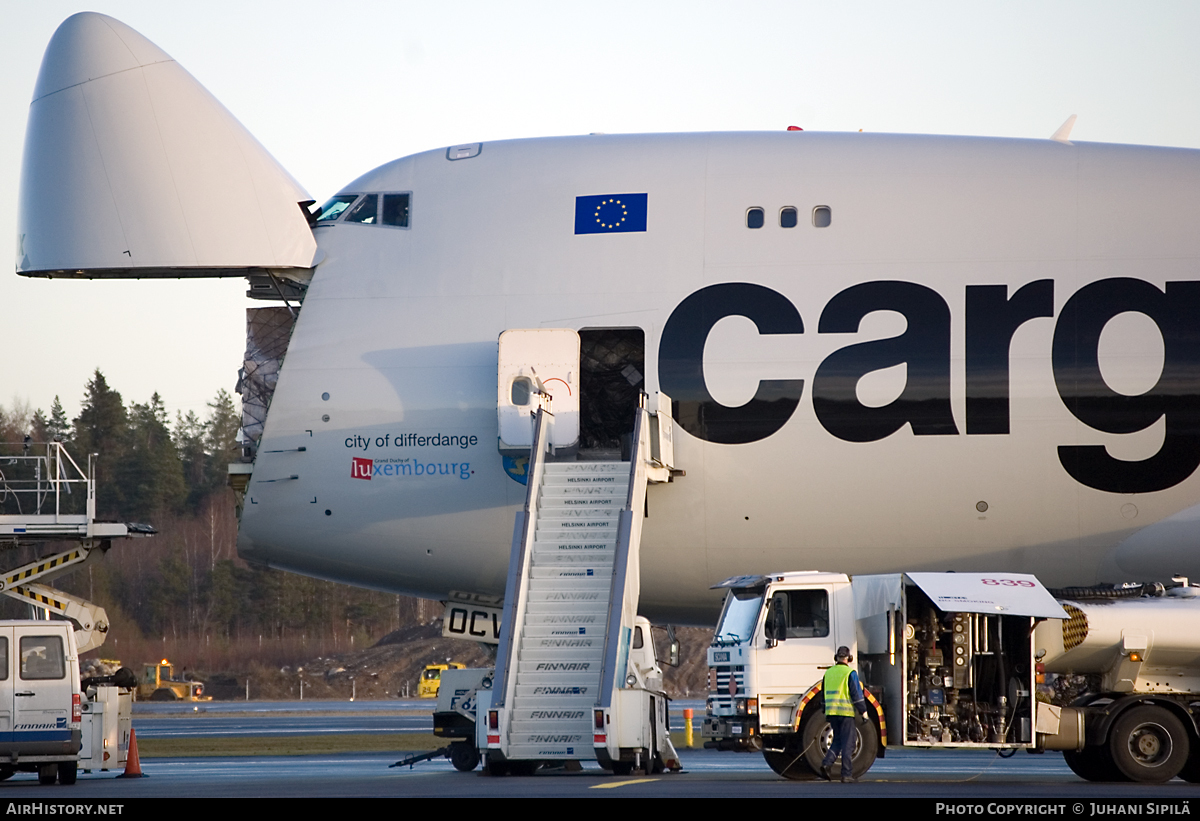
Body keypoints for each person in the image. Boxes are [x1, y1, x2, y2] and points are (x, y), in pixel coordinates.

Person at [821, 645, 867, 783]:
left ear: (836, 658)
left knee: (838, 741)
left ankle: (827, 763)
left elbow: (822, 695)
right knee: (849, 743)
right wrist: (863, 712)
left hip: (832, 712)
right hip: (846, 713)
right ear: (849, 658)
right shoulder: (850, 673)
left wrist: (824, 709)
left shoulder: (828, 673)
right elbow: (857, 695)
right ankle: (846, 774)